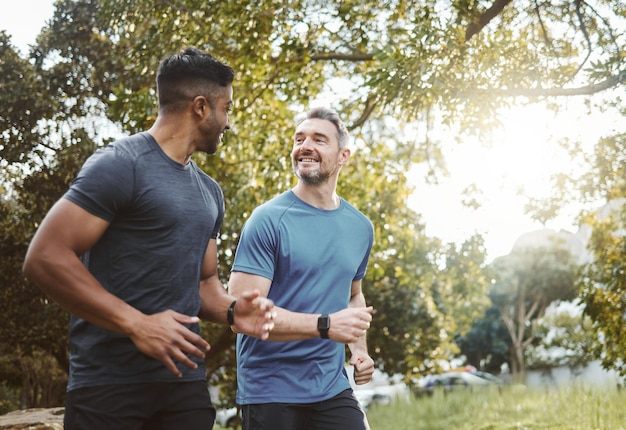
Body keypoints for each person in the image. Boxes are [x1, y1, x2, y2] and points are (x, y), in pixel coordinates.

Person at [22, 47, 275, 430]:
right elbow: (45, 257)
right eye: (227, 109)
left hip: (183, 386)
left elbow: (205, 283)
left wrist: (231, 311)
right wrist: (137, 324)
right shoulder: (121, 164)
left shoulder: (210, 193)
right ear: (201, 107)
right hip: (108, 387)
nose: (228, 123)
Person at [228, 106, 376, 430]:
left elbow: (353, 296)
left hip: (331, 386)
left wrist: (359, 351)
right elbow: (242, 315)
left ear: (343, 156)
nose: (305, 146)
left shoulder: (360, 227)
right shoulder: (267, 220)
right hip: (270, 390)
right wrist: (325, 325)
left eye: (319, 139)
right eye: (299, 139)